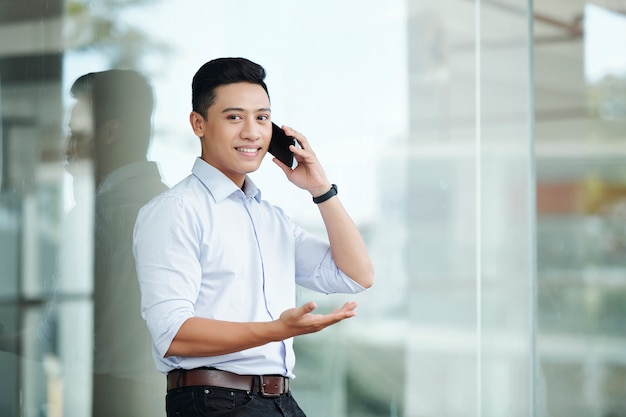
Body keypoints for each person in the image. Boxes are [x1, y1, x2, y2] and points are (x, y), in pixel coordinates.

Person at [132, 57, 374, 417]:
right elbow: (173, 334)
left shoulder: (271, 218)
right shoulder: (176, 210)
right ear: (198, 124)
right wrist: (275, 330)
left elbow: (356, 275)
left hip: (278, 400)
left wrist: (322, 189)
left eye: (262, 118)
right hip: (214, 401)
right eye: (234, 117)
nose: (252, 132)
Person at [66, 69, 169, 416]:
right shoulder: (185, 209)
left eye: (76, 135)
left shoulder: (95, 217)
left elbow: (60, 335)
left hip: (106, 398)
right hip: (175, 398)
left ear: (109, 133)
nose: (67, 150)